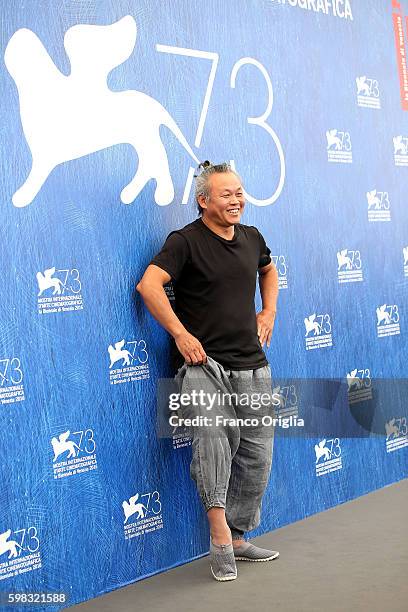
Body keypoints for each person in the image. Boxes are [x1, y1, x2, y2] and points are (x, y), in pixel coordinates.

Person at [136, 161, 280, 581]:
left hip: (252, 365)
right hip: (202, 366)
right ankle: (219, 535)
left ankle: (238, 536)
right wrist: (180, 335)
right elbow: (149, 285)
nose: (236, 200)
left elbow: (268, 270)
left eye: (239, 192)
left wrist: (268, 311)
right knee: (214, 442)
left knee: (256, 455)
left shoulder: (253, 238)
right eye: (226, 194)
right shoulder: (185, 241)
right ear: (204, 200)